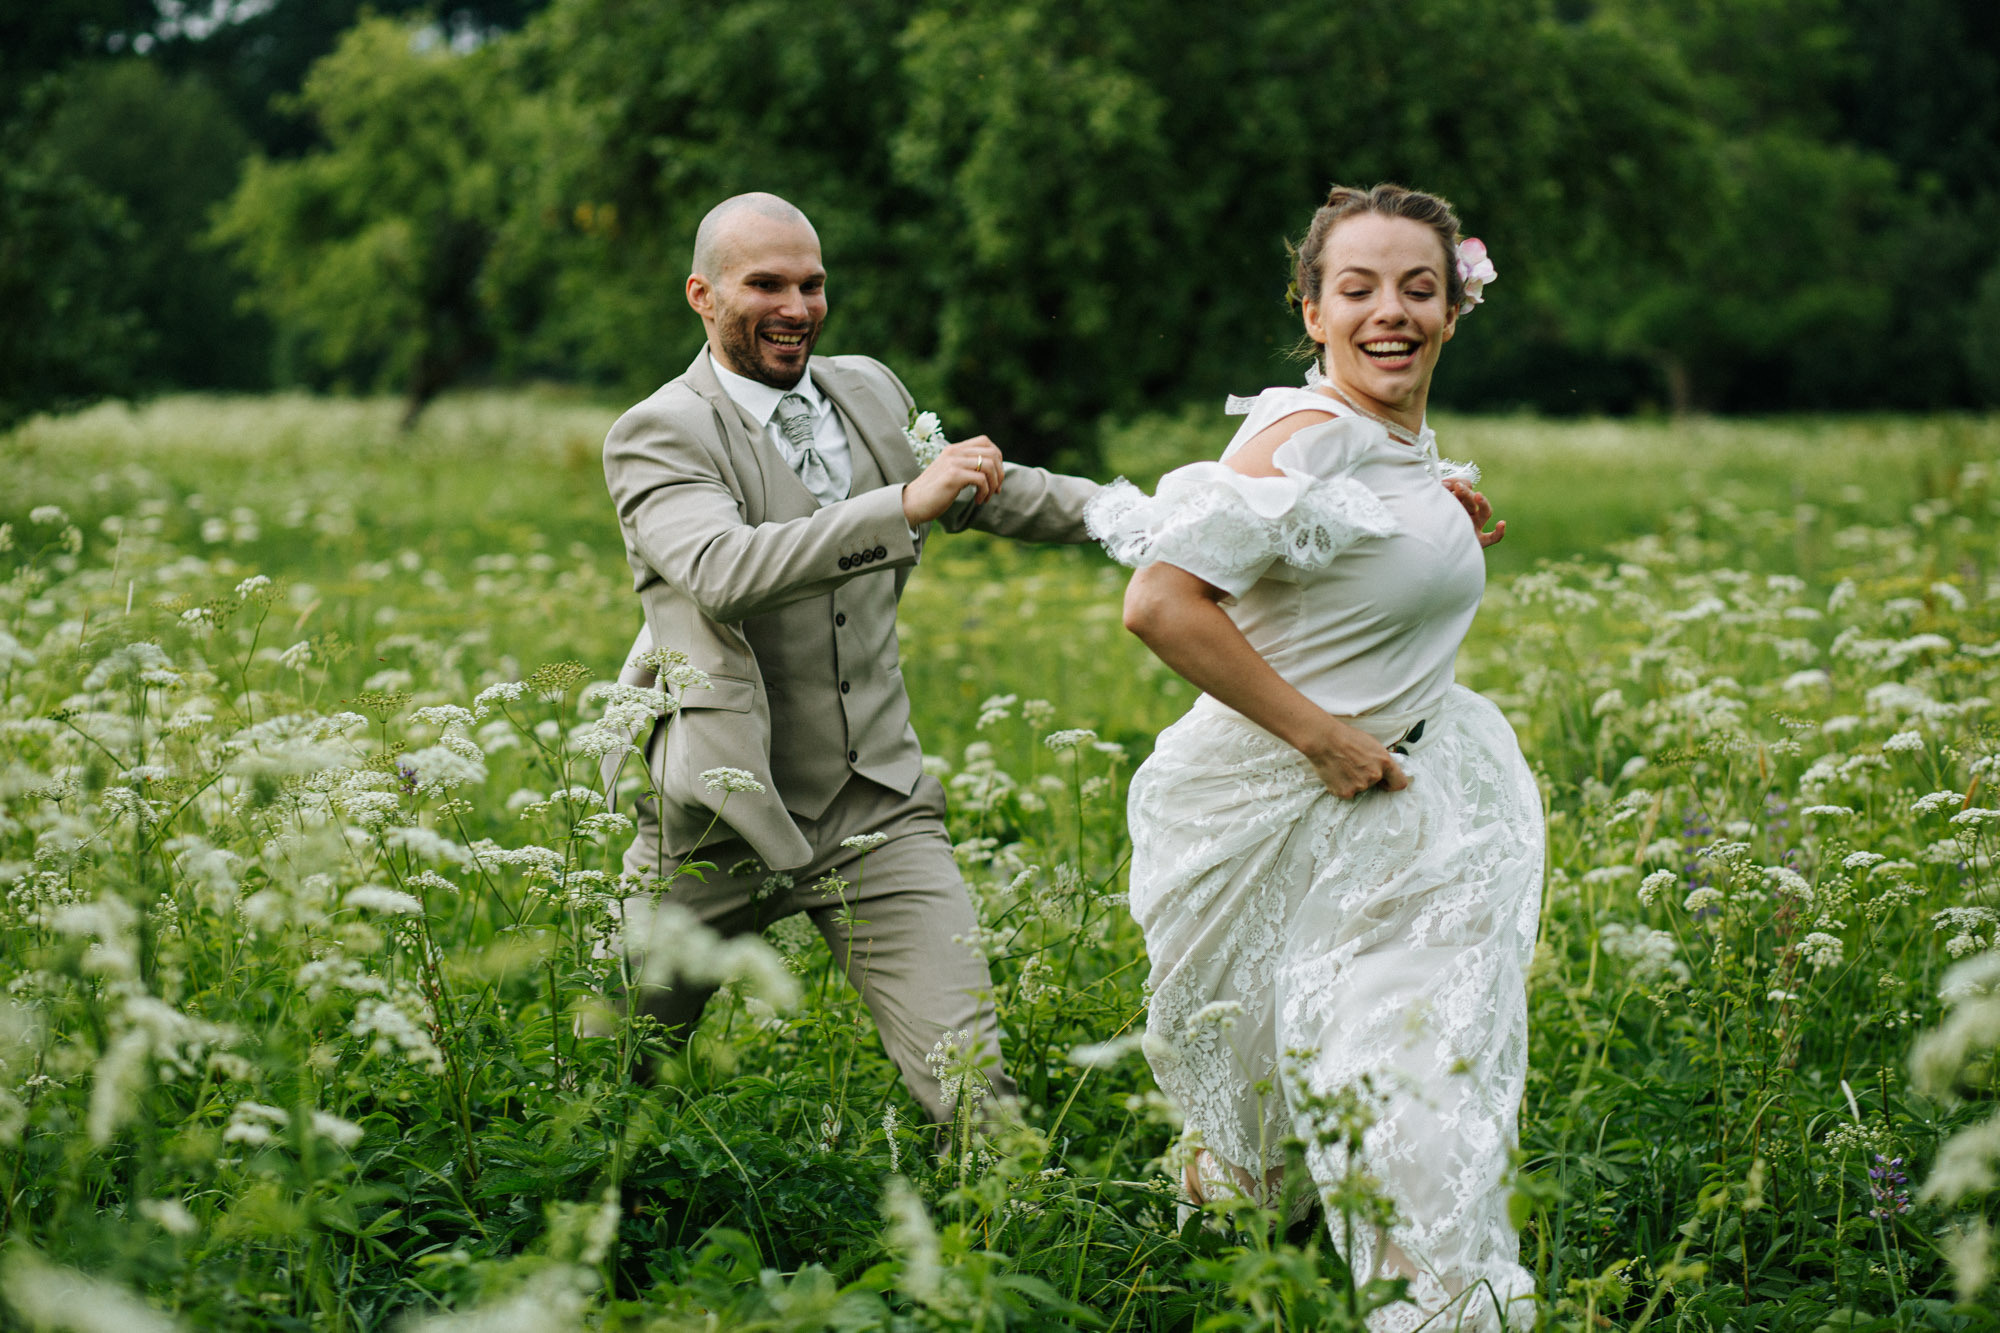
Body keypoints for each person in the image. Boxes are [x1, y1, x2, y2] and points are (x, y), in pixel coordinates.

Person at [1087, 183, 1541, 1331]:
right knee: (1259, 1117)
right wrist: (1319, 735)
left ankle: (1443, 1312)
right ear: (1311, 308)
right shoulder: (1312, 430)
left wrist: (1435, 511)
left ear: (1452, 310)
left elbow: (1343, 540)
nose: (1389, 311)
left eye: (1417, 288)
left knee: (1395, 1088)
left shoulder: (1386, 447)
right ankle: (1230, 1292)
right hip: (1277, 802)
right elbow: (1160, 603)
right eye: (1357, 289)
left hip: (1400, 821)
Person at [599, 192, 1099, 1124]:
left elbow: (979, 488)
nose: (798, 306)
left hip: (880, 807)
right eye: (768, 284)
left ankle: (1001, 1237)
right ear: (702, 295)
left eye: (813, 283)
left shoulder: (868, 387)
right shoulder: (660, 429)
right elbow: (720, 568)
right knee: (614, 1076)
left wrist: (1146, 518)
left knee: (973, 1090)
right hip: (718, 821)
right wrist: (902, 506)